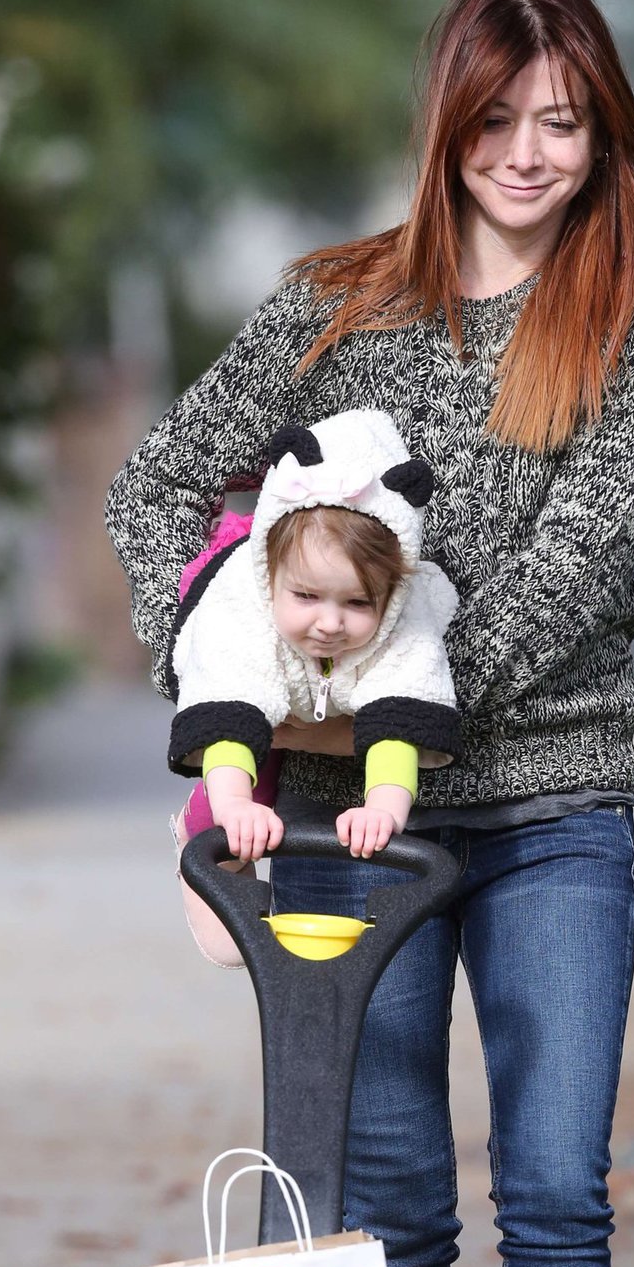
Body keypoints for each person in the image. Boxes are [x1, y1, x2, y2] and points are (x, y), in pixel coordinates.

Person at [108, 0, 634, 1267]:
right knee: (385, 1217)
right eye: (500, 120)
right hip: (332, 842)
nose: (530, 155)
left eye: (564, 124)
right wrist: (227, 667)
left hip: (542, 812)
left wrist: (388, 704)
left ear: (600, 134)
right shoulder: (327, 309)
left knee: (555, 1192)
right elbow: (156, 489)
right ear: (446, 121)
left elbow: (574, 568)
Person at [165, 408, 460, 966]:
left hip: (336, 690)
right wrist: (234, 810)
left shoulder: (407, 622)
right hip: (266, 680)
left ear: (390, 595)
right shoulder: (242, 613)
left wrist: (383, 807)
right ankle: (199, 831)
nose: (329, 623)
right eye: (307, 598)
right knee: (244, 753)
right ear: (272, 576)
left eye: (356, 603)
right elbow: (228, 706)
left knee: (390, 720)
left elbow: (402, 716)